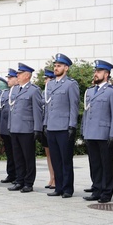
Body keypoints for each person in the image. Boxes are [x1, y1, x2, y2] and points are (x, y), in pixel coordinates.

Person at [44, 53, 79, 198]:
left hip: (64, 127)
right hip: (52, 127)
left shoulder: (71, 84)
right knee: (56, 159)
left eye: (59, 66)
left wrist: (72, 126)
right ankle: (58, 187)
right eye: (55, 65)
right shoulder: (50, 84)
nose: (56, 68)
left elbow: (74, 106)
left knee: (66, 160)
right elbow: (47, 105)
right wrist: (45, 124)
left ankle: (67, 189)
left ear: (66, 68)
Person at [82, 60, 113, 203]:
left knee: (106, 165)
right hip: (91, 133)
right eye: (95, 71)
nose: (96, 74)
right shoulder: (90, 91)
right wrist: (84, 130)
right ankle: (96, 190)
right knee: (94, 164)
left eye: (99, 71)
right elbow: (86, 113)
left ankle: (106, 193)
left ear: (106, 74)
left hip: (104, 134)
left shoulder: (111, 92)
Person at [7, 63, 43, 193]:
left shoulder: (34, 90)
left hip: (27, 129)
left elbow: (37, 111)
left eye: (20, 73)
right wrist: (10, 126)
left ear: (27, 75)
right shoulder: (15, 89)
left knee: (28, 157)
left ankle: (28, 182)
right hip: (15, 128)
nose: (17, 75)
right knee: (18, 157)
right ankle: (19, 180)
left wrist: (37, 128)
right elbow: (12, 109)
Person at [0, 68, 18, 184]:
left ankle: (18, 175)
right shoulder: (5, 92)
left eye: (10, 78)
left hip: (15, 126)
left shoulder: (18, 92)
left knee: (16, 153)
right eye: (8, 78)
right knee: (10, 153)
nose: (8, 80)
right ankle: (11, 174)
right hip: (6, 127)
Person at [42, 68, 56, 188]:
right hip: (46, 125)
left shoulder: (53, 92)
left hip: (54, 125)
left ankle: (56, 178)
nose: (45, 81)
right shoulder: (44, 92)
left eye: (47, 78)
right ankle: (51, 177)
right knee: (48, 154)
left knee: (55, 154)